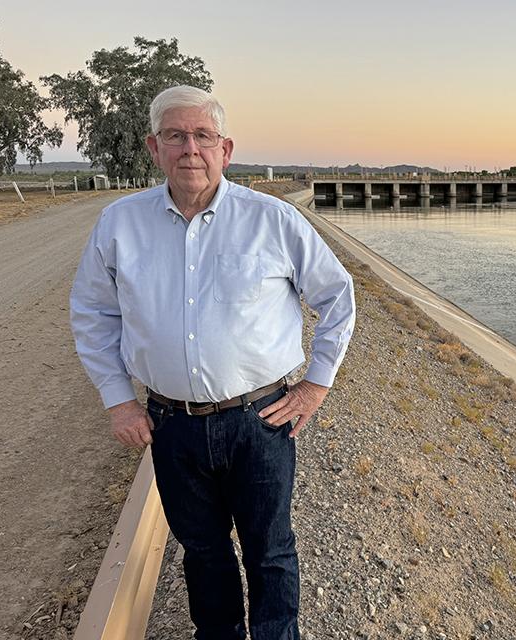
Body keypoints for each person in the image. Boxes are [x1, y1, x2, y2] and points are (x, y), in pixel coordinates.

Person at [70, 85, 356, 639]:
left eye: (202, 136)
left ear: (225, 150)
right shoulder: (118, 224)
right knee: (202, 553)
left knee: (270, 550)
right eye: (175, 136)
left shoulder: (272, 220)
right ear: (154, 148)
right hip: (171, 425)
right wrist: (119, 402)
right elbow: (92, 315)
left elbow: (337, 298)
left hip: (261, 420)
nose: (189, 149)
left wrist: (315, 386)